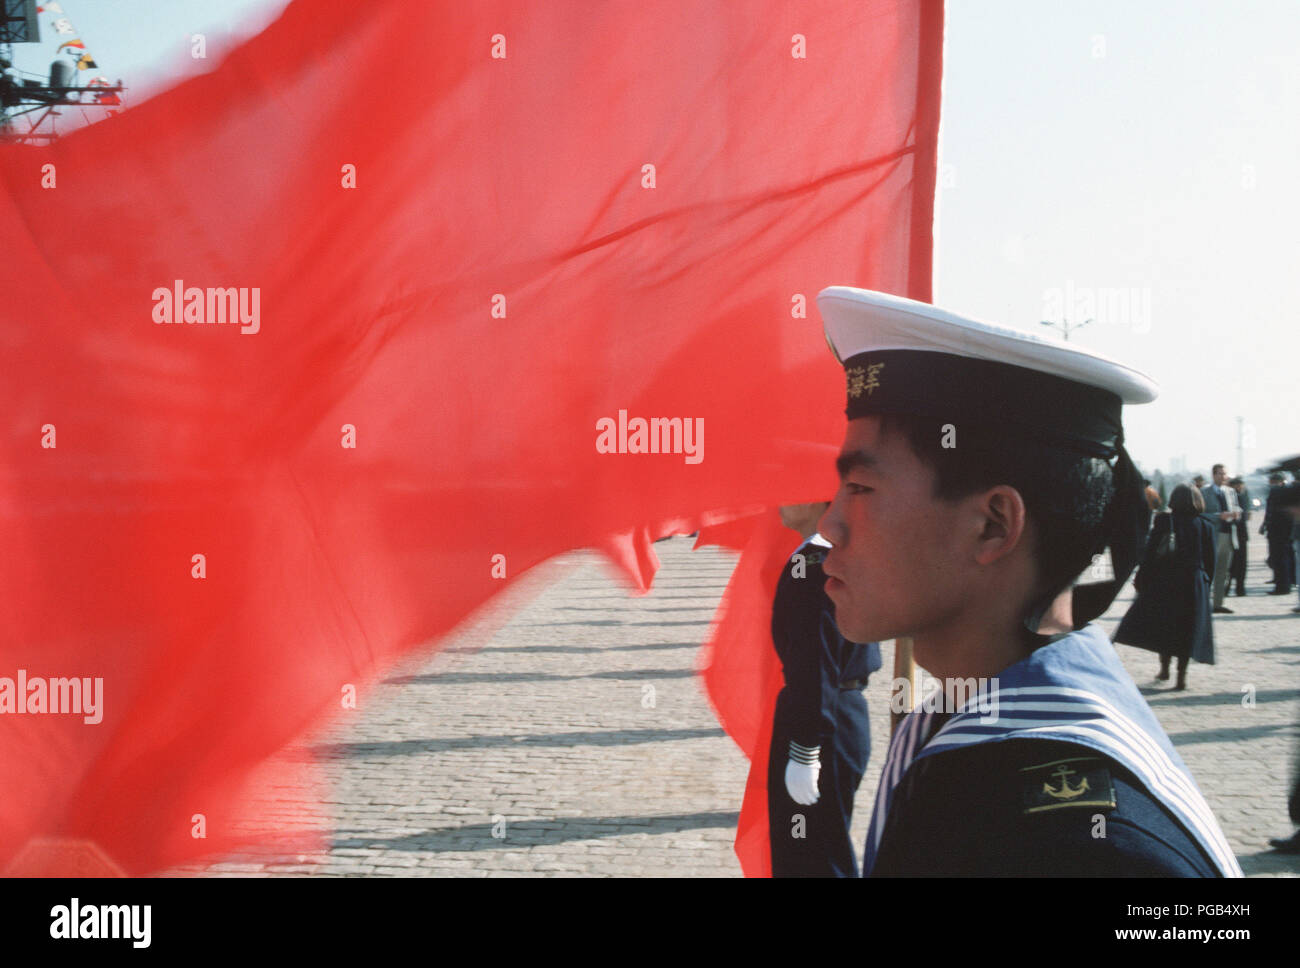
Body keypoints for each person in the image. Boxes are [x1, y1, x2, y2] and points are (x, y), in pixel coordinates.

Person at [813, 286, 1240, 877]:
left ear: (993, 525)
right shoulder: (975, 726)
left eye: (859, 489)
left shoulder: (1073, 849)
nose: (828, 526)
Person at [767, 502, 882, 876]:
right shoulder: (828, 556)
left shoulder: (815, 566)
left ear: (821, 497)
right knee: (814, 844)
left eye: (792, 488)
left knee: (812, 852)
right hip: (836, 713)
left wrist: (804, 750)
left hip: (824, 721)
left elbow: (814, 664)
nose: (780, 499)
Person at [1114, 484, 1214, 690]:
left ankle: (1164, 668)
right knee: (1186, 629)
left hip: (1165, 580)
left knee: (1166, 626)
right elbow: (1210, 560)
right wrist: (1206, 584)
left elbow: (1150, 553)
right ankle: (1181, 677)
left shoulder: (1164, 521)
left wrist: (1142, 577)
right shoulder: (1205, 525)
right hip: (1193, 582)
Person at [1200, 465, 1241, 613]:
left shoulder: (1230, 491)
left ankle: (1218, 603)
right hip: (1213, 535)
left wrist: (1236, 513)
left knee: (1224, 571)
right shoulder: (1205, 492)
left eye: (1225, 474)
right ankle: (1203, 602)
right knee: (1210, 569)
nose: (1224, 477)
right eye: (1220, 474)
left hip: (1229, 534)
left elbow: (1237, 507)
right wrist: (1218, 516)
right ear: (1214, 475)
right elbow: (1200, 513)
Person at [1261, 472, 1295, 595]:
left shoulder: (1283, 492)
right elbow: (1269, 511)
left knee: (1281, 558)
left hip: (1281, 531)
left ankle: (1283, 586)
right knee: (1278, 558)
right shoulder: (1278, 491)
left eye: (1274, 481)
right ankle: (1281, 583)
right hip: (1276, 530)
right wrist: (1265, 524)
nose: (1272, 484)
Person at [1229, 477, 1250, 596]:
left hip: (1241, 533)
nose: (1240, 487)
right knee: (1235, 562)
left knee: (1241, 563)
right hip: (1234, 532)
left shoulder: (1243, 495)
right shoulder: (1232, 496)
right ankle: (1236, 588)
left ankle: (1240, 588)